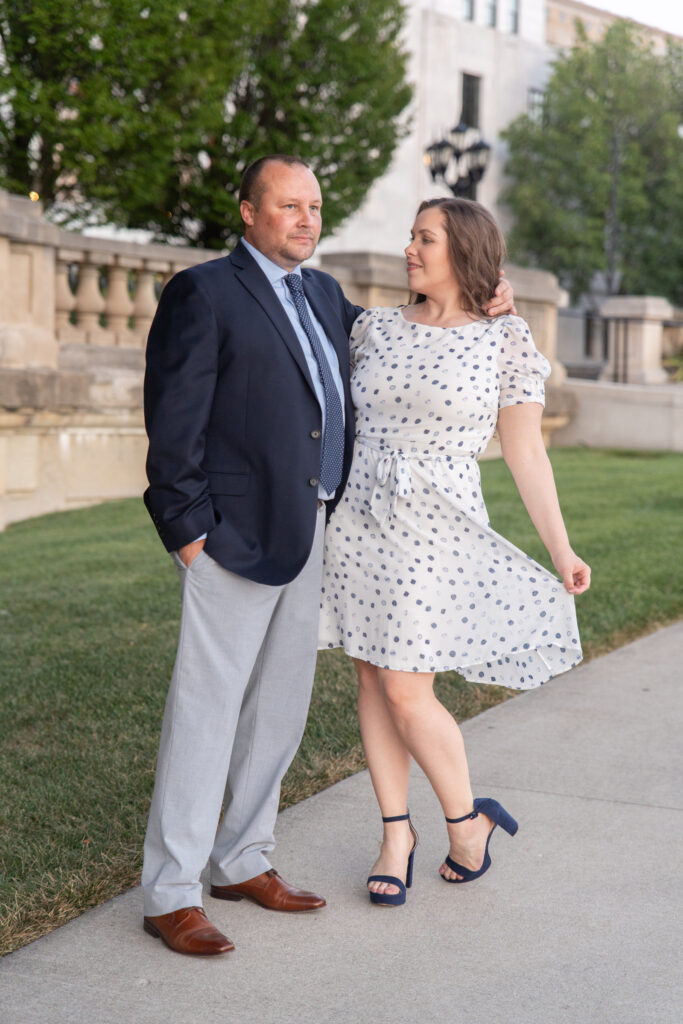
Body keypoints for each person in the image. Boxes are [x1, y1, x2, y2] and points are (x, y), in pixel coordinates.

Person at [141, 156, 515, 955]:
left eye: (314, 206)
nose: (306, 220)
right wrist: (187, 531)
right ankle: (171, 891)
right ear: (247, 212)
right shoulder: (203, 293)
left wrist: (484, 296)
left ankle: (242, 859)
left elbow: (404, 333)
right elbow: (172, 425)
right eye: (287, 206)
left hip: (319, 533)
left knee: (278, 711)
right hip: (230, 537)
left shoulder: (322, 296)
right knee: (207, 713)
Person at [318, 197, 590, 907]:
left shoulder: (504, 340)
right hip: (359, 519)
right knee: (373, 681)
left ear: (464, 250)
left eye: (426, 239)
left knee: (408, 688)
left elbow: (525, 451)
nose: (410, 249)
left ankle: (465, 821)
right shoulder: (372, 327)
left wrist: (559, 547)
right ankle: (395, 833)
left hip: (437, 525)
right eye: (410, 236)